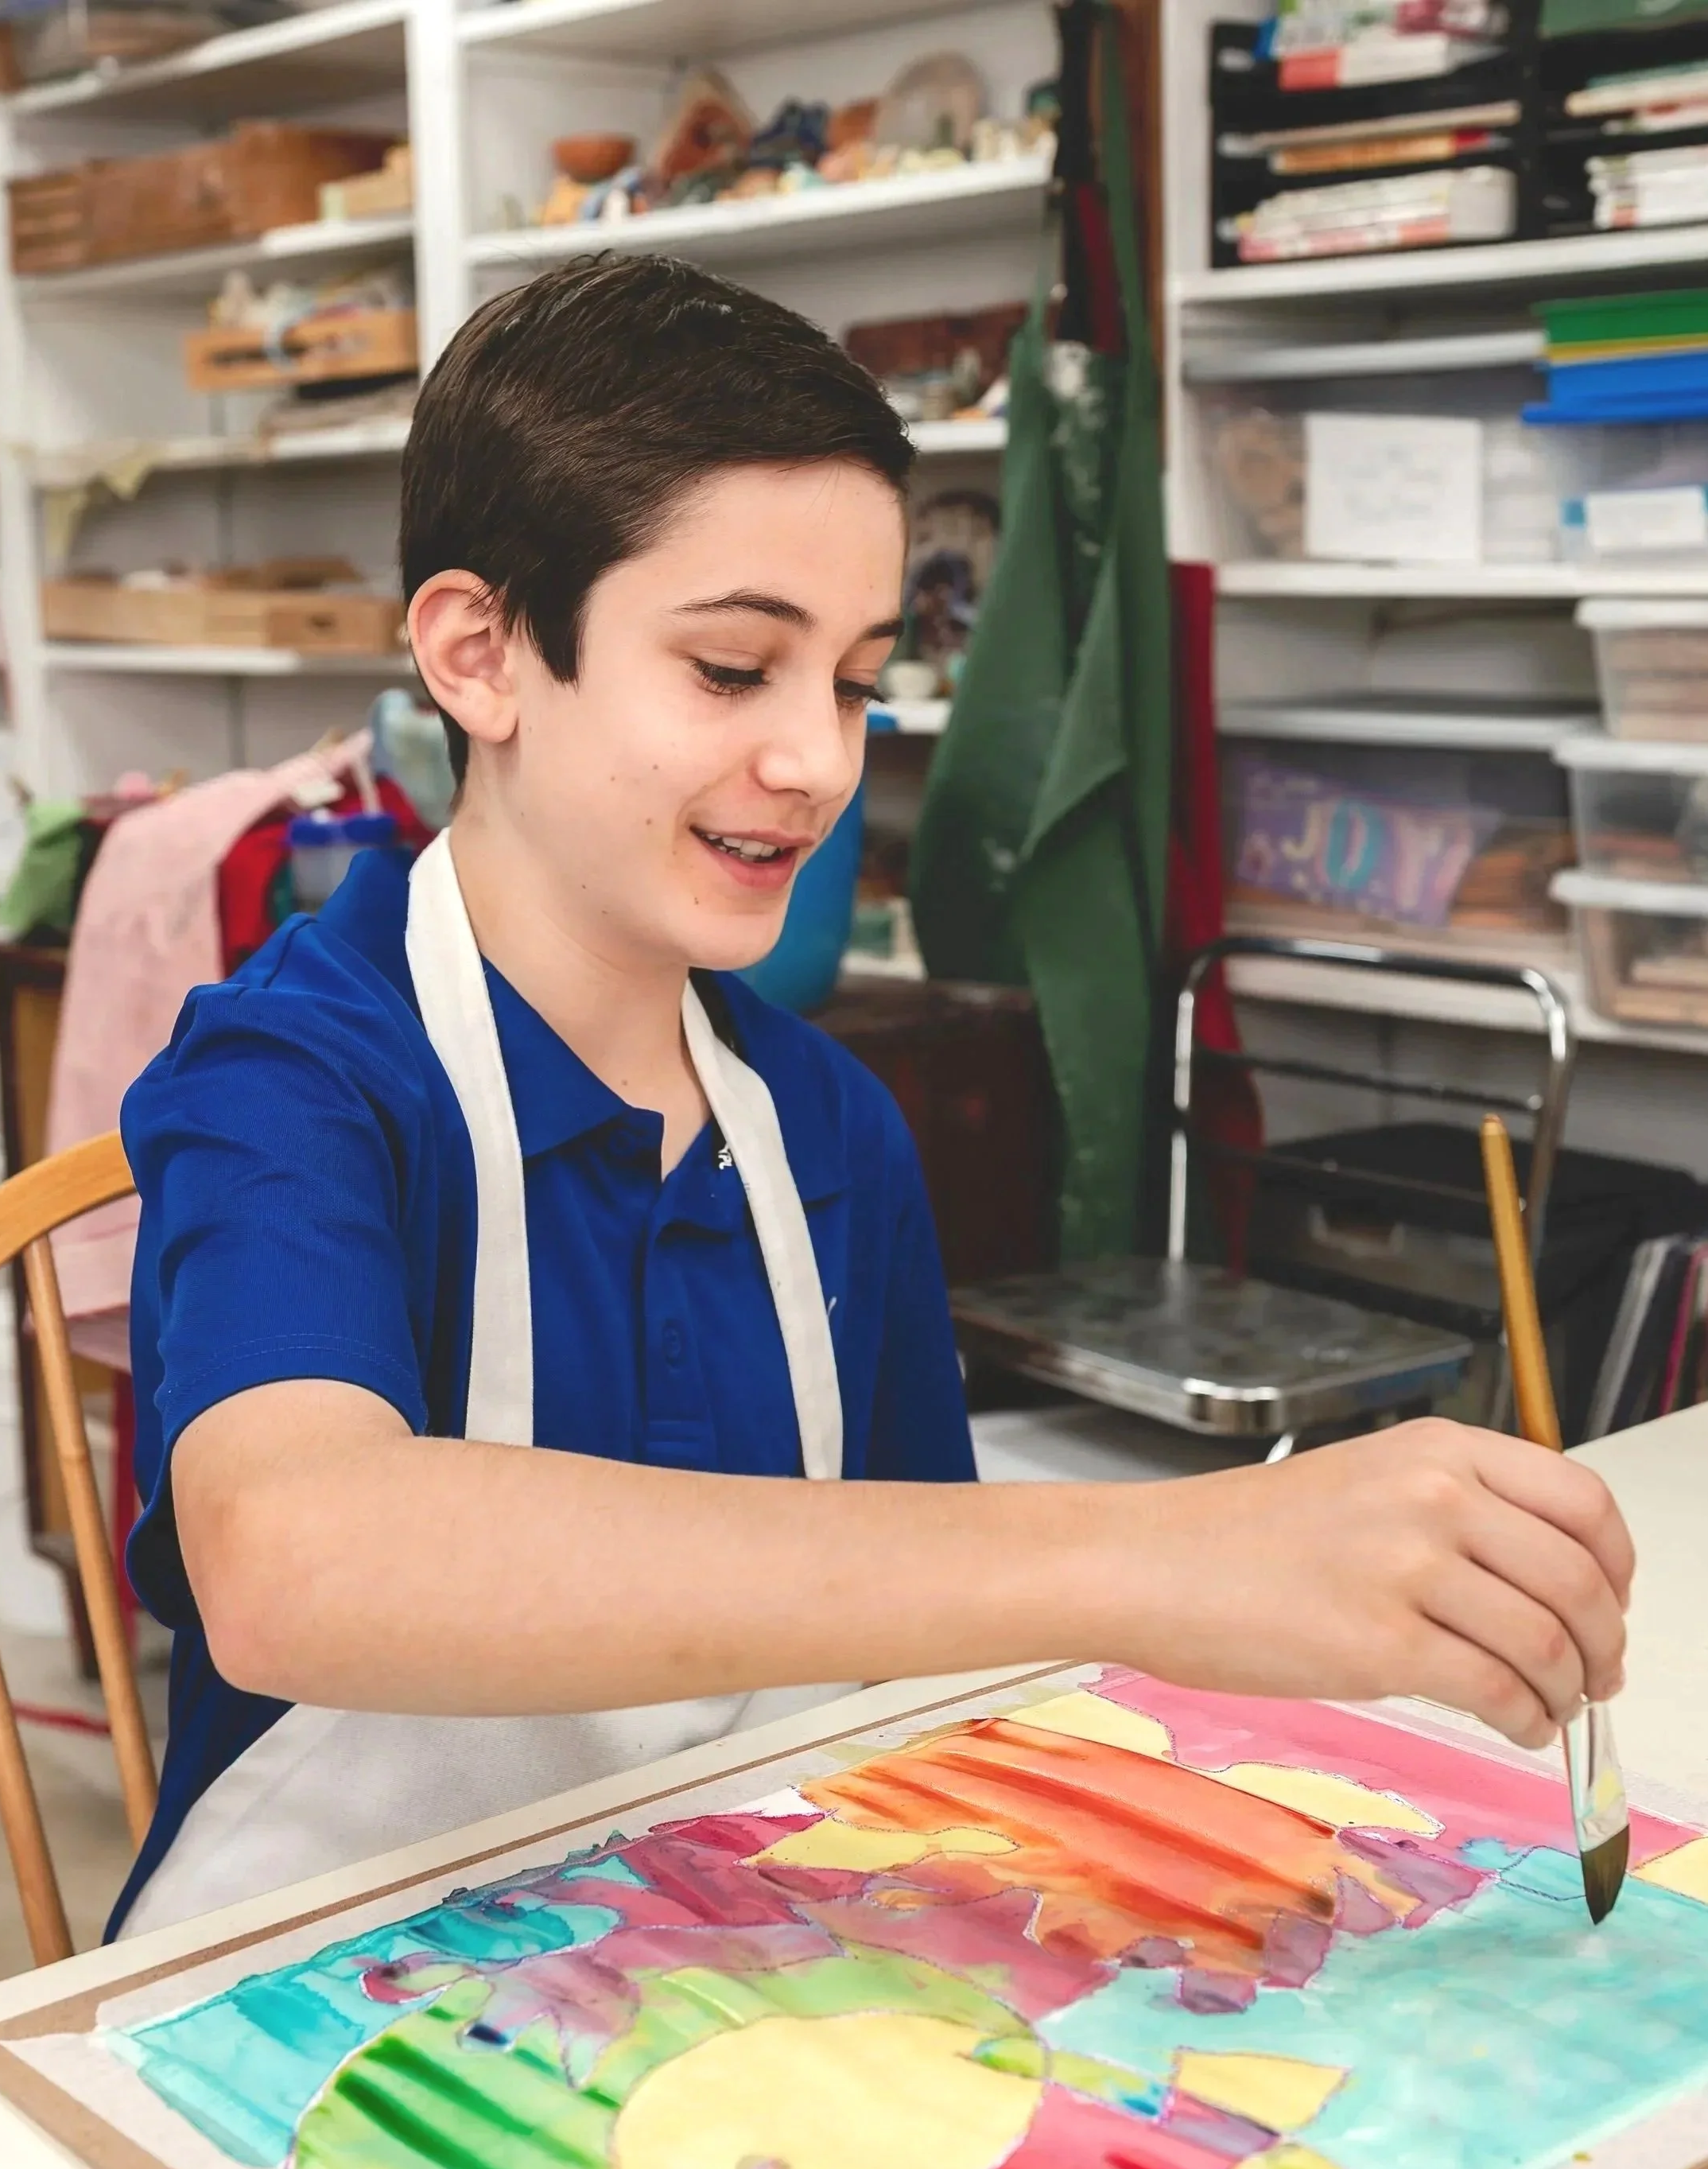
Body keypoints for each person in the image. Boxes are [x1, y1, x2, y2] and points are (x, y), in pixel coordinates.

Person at [108, 255, 1631, 1938]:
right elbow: (297, 1557)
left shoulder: (826, 1127)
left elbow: (908, 1643)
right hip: (312, 1991)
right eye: (729, 668)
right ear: (479, 654)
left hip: (702, 1953)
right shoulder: (293, 1073)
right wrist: (1163, 1554)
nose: (821, 763)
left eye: (849, 680)